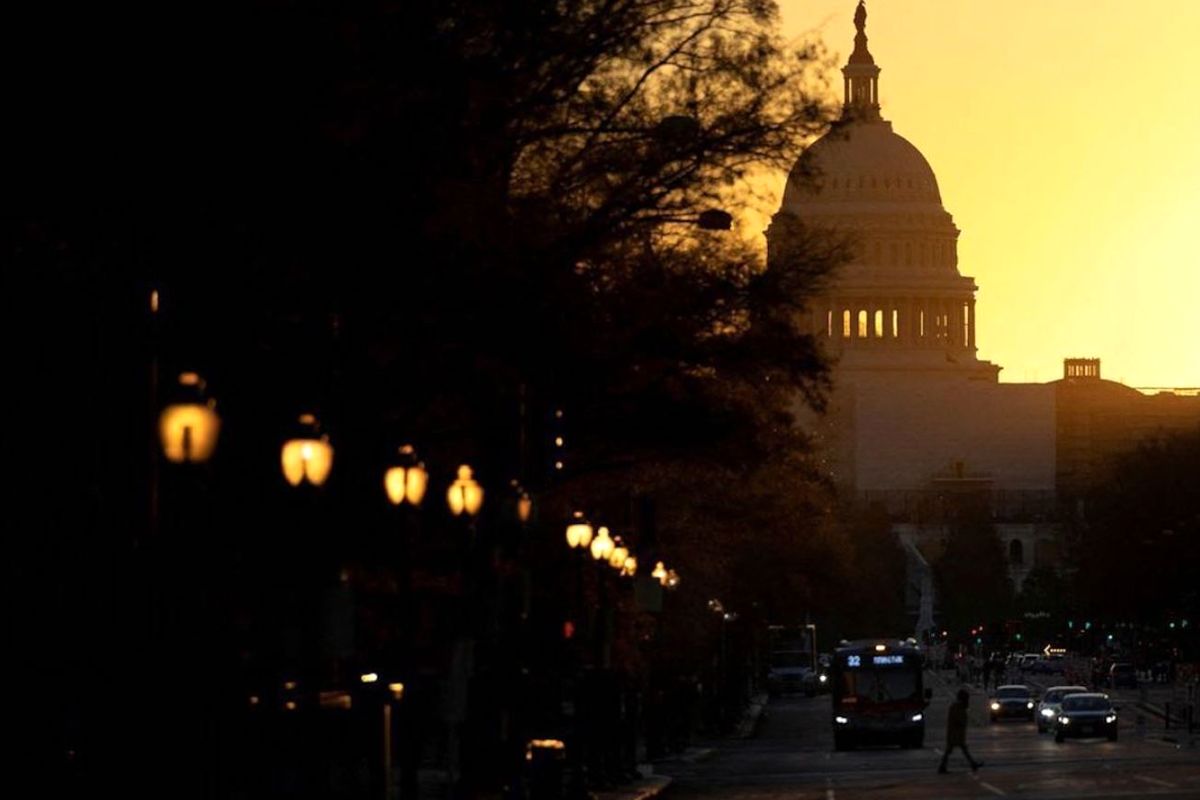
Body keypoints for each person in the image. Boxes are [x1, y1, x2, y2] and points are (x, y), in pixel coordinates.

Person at [938, 688, 983, 774]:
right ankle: (942, 767)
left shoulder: (958, 707)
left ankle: (972, 764)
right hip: (955, 734)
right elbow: (957, 720)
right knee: (952, 750)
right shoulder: (956, 707)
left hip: (957, 734)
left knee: (954, 750)